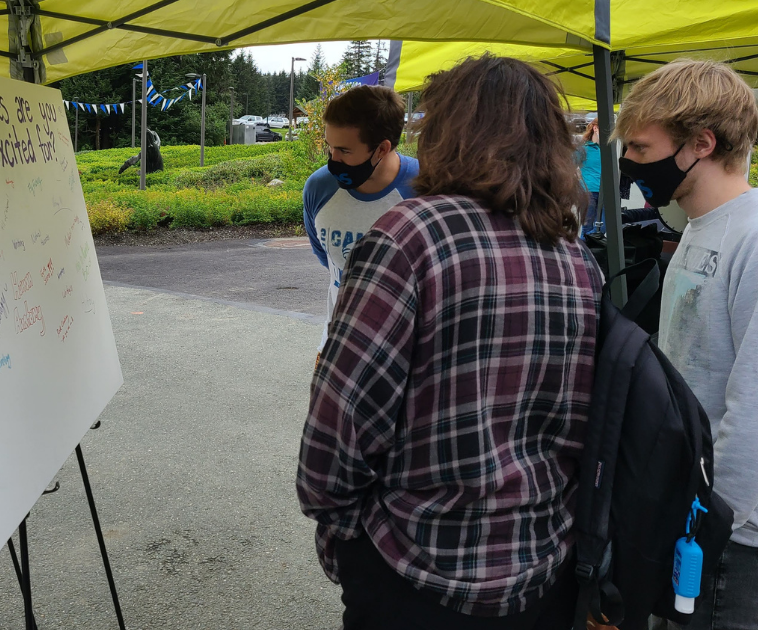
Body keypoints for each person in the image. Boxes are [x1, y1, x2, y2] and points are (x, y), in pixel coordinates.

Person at [297, 55, 603, 630]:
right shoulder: (576, 257)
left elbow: (340, 426)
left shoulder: (410, 236)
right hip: (541, 568)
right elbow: (582, 421)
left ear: (448, 132)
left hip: (413, 568)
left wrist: (345, 540)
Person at [614, 59, 758, 630]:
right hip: (684, 510)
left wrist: (718, 522)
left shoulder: (751, 237)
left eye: (641, 149)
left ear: (703, 142)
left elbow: (753, 404)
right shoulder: (700, 227)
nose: (627, 165)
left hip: (730, 533)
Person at [302, 84, 418, 354]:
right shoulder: (319, 188)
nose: (333, 160)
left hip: (405, 358)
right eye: (330, 148)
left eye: (344, 150)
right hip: (337, 349)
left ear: (381, 149)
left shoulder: (426, 189)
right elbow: (328, 259)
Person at [578, 119, 606, 236]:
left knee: (603, 227)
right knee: (587, 228)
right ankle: (586, 252)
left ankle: (589, 249)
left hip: (606, 193)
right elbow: (568, 166)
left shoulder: (609, 150)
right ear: (595, 128)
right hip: (588, 192)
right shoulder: (584, 148)